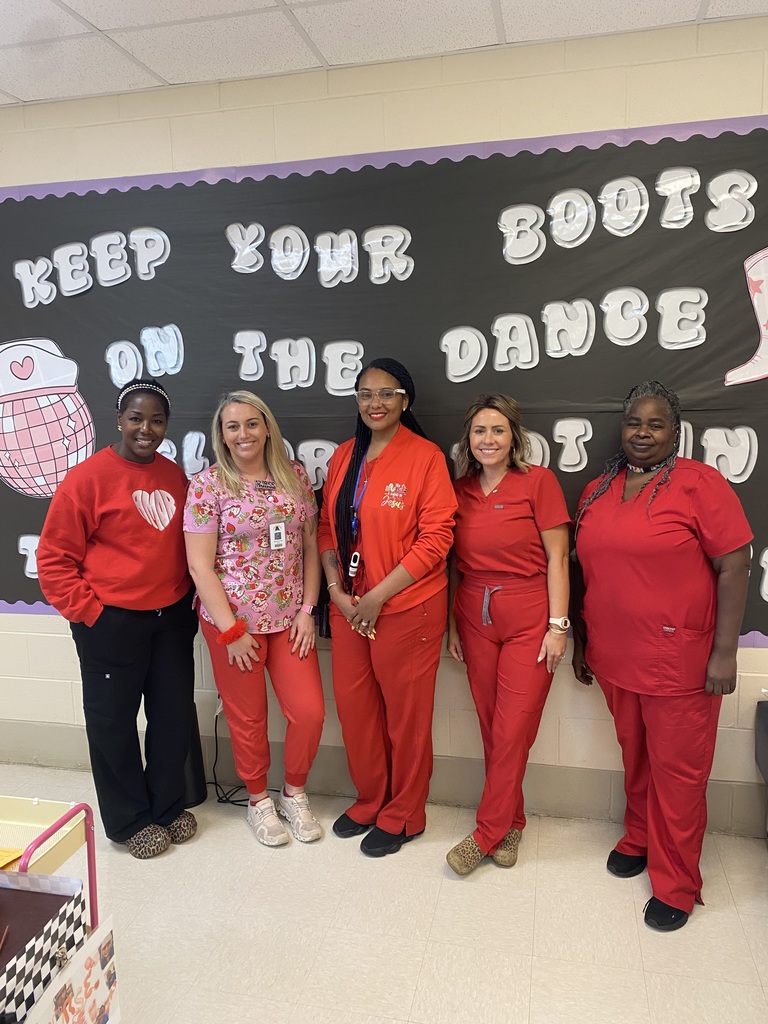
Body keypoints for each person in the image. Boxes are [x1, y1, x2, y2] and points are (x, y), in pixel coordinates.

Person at [572, 380, 752, 931]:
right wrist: (583, 642)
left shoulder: (701, 484)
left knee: (678, 773)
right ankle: (640, 836)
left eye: (656, 424)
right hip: (615, 656)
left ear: (675, 432)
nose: (642, 432)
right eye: (634, 423)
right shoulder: (598, 490)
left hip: (682, 661)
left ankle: (676, 882)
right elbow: (587, 574)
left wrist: (724, 654)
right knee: (637, 756)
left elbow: (736, 565)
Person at [37, 379, 198, 859]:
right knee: (113, 723)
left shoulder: (174, 477)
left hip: (170, 620)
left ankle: (166, 807)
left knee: (171, 717)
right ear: (119, 419)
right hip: (110, 622)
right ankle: (129, 820)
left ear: (166, 425)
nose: (145, 429)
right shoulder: (86, 478)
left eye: (156, 420)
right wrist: (92, 615)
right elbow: (53, 559)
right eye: (136, 418)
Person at [318, 358, 457, 857]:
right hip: (348, 607)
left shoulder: (425, 458)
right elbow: (327, 529)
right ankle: (371, 798)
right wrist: (336, 589)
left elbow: (437, 537)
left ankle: (406, 813)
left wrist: (378, 596)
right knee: (357, 713)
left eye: (386, 393)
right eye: (365, 394)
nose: (374, 403)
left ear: (405, 400)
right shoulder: (343, 456)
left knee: (407, 717)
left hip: (405, 608)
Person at [184, 390, 325, 847]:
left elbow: (309, 547)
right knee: (248, 718)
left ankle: (293, 793)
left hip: (288, 620)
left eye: (251, 423)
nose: (242, 434)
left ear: (267, 427)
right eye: (232, 426)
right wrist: (231, 631)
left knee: (308, 712)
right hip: (233, 626)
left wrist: (308, 610)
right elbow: (200, 566)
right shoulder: (208, 486)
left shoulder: (295, 478)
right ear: (221, 435)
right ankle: (259, 799)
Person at [445, 394, 570, 875]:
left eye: (498, 430)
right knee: (491, 724)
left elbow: (559, 558)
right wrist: (454, 624)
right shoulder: (459, 491)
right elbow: (454, 564)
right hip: (474, 614)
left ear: (514, 437)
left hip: (529, 616)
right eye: (480, 431)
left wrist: (558, 627)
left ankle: (484, 833)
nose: (489, 439)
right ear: (468, 439)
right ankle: (512, 822)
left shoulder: (538, 483)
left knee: (513, 726)